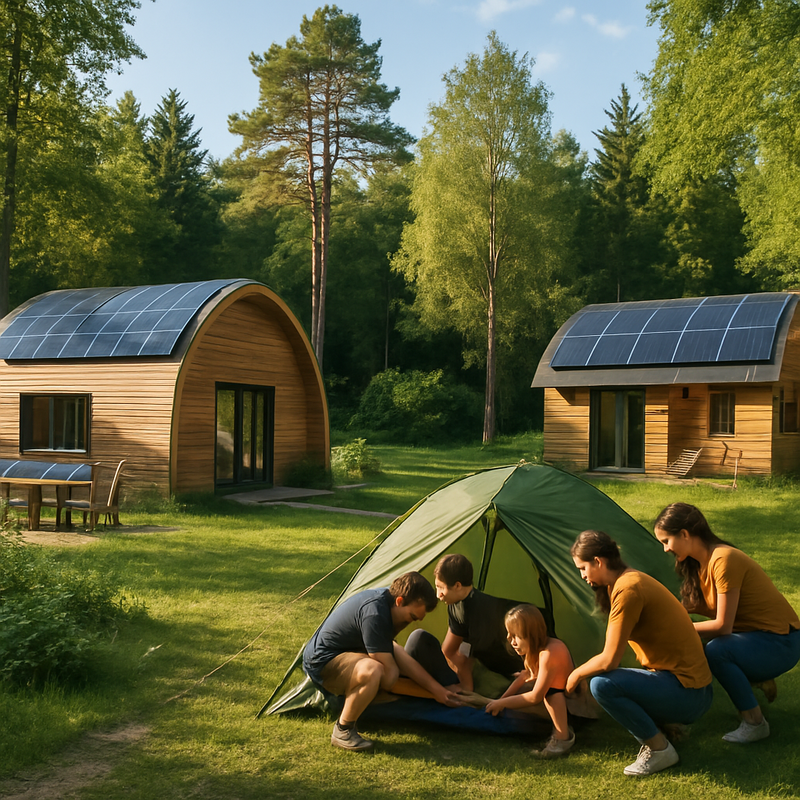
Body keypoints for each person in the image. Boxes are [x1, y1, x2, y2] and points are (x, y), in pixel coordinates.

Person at [566, 530, 713, 777]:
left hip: (690, 695)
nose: (582, 575)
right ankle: (663, 733)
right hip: (691, 687)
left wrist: (574, 676)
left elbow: (610, 659)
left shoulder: (628, 590)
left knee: (602, 684)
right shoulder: (624, 582)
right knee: (611, 680)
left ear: (599, 562)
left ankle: (659, 749)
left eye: (583, 568)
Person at [654, 502, 800, 744]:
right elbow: (679, 613)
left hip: (782, 642)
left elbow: (723, 627)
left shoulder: (724, 560)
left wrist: (675, 630)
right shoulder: (695, 566)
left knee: (717, 650)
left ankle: (755, 722)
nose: (665, 549)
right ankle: (752, 677)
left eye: (666, 541)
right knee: (690, 640)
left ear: (685, 534)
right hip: (754, 639)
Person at [302, 571, 461, 752]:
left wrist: (439, 690)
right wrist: (433, 694)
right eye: (412, 617)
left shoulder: (388, 601)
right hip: (323, 663)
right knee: (375, 670)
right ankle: (343, 729)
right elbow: (389, 680)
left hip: (350, 652)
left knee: (392, 656)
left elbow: (399, 655)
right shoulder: (375, 614)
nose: (410, 623)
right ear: (400, 601)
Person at [405, 553, 525, 692]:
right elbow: (449, 649)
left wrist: (466, 688)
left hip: (511, 666)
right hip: (483, 659)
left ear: (457, 585)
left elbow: (467, 656)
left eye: (441, 588)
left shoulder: (477, 610)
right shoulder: (454, 603)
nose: (438, 595)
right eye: (436, 586)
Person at [484, 604, 576, 758]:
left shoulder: (549, 653)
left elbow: (536, 697)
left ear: (532, 635)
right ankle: (557, 730)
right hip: (562, 707)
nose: (512, 642)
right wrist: (501, 700)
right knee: (526, 687)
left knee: (551, 693)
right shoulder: (538, 649)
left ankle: (562, 737)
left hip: (574, 708)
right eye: (510, 635)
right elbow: (525, 676)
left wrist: (502, 703)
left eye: (516, 637)